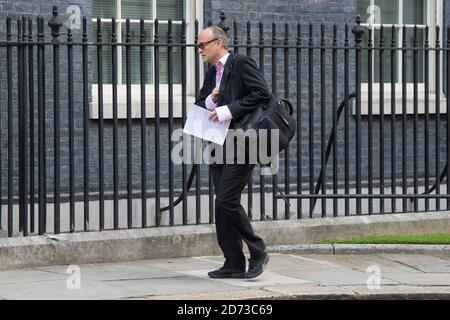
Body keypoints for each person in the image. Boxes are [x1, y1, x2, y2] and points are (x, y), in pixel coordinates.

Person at [195, 26, 271, 279]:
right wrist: (213, 99)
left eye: (203, 44)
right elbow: (201, 104)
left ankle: (258, 250)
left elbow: (262, 94)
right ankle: (233, 261)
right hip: (218, 143)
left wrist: (227, 108)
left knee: (227, 199)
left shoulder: (241, 63)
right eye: (199, 45)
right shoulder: (211, 72)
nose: (200, 50)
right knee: (222, 204)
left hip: (242, 142)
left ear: (219, 43)